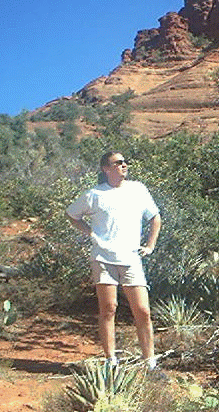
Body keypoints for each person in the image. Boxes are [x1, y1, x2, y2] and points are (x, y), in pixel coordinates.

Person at [66, 151, 162, 372]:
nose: (124, 165)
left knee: (143, 310)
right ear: (105, 169)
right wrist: (89, 233)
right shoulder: (94, 194)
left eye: (124, 162)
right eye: (118, 163)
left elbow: (155, 217)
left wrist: (150, 246)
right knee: (108, 308)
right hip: (103, 258)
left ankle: (150, 362)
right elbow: (72, 214)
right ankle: (111, 362)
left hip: (131, 258)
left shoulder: (138, 189)